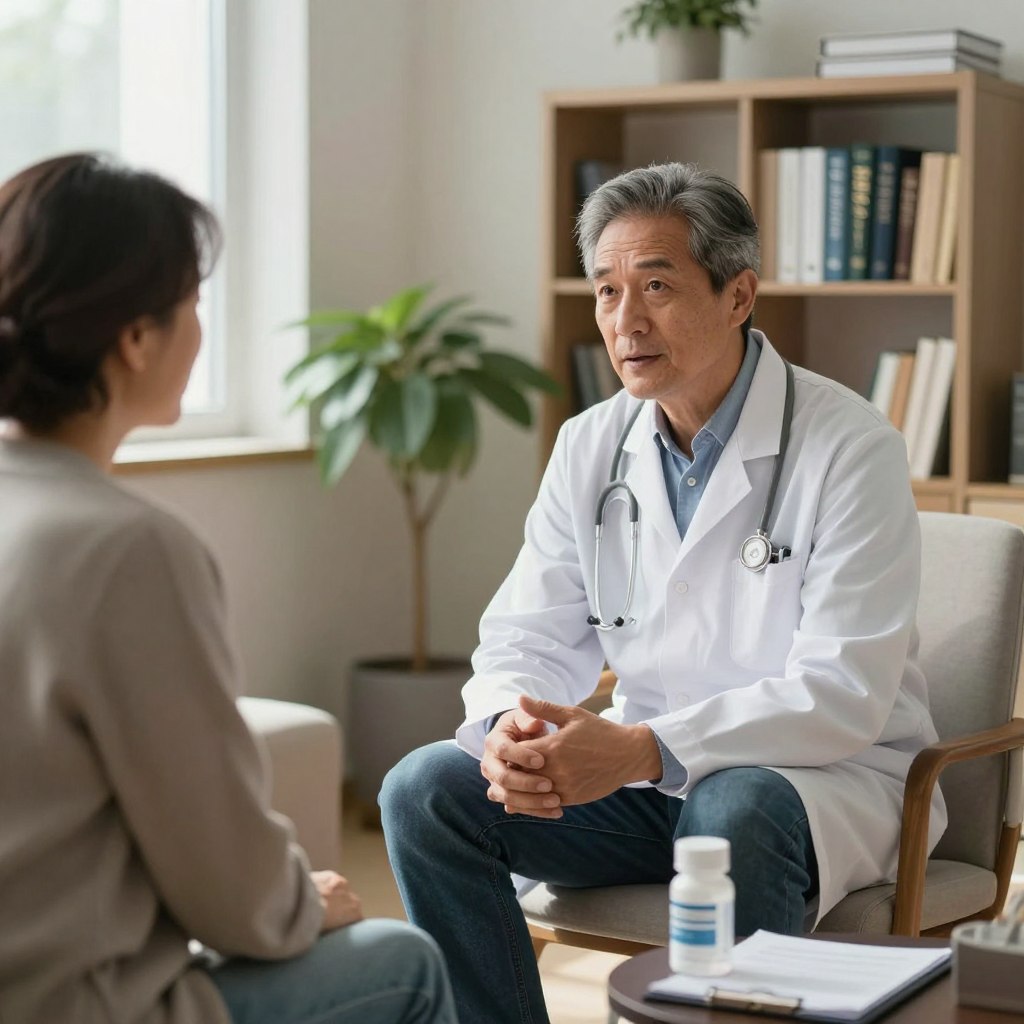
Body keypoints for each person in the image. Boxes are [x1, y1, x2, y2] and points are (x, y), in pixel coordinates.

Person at [380, 162, 947, 1024]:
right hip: (641, 784)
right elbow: (524, 634)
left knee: (733, 804)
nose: (625, 322)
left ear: (738, 294)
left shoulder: (850, 447)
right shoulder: (589, 444)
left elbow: (844, 692)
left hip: (817, 781)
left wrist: (639, 749)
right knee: (424, 791)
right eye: (606, 292)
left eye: (656, 286)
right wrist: (509, 730)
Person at [0, 154, 457, 1024]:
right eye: (194, 304)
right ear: (136, 338)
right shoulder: (125, 550)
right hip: (67, 1001)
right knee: (401, 962)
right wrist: (300, 902)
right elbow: (224, 875)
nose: (199, 327)